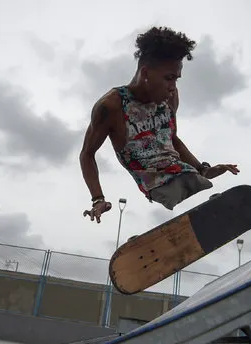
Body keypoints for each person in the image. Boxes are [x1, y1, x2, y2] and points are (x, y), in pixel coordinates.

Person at [79, 26, 239, 223]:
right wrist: (98, 199)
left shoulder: (170, 97)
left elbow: (171, 139)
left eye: (176, 79)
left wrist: (203, 169)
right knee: (178, 194)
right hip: (155, 183)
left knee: (200, 186)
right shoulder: (111, 106)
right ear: (145, 73)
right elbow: (87, 153)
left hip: (182, 172)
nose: (173, 87)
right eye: (168, 78)